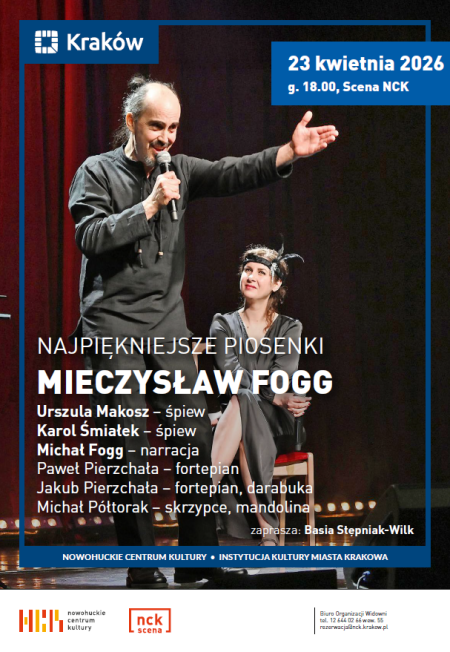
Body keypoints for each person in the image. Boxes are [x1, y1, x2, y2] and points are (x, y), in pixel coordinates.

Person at [68, 74, 338, 587]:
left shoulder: (182, 171)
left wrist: (288, 153)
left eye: (173, 128)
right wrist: (149, 205)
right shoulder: (96, 172)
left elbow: (233, 171)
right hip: (111, 325)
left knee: (194, 438)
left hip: (165, 324)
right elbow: (91, 236)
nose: (166, 138)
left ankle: (197, 558)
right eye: (156, 127)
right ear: (131, 122)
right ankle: (141, 567)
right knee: (127, 447)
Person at [210, 245, 309, 545]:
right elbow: (230, 371)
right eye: (248, 270)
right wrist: (273, 393)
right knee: (243, 403)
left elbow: (282, 375)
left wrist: (275, 396)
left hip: (277, 422)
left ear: (276, 284)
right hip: (240, 414)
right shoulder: (222, 323)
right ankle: (268, 530)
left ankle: (201, 497)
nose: (251, 276)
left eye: (261, 272)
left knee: (243, 403)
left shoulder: (290, 327)